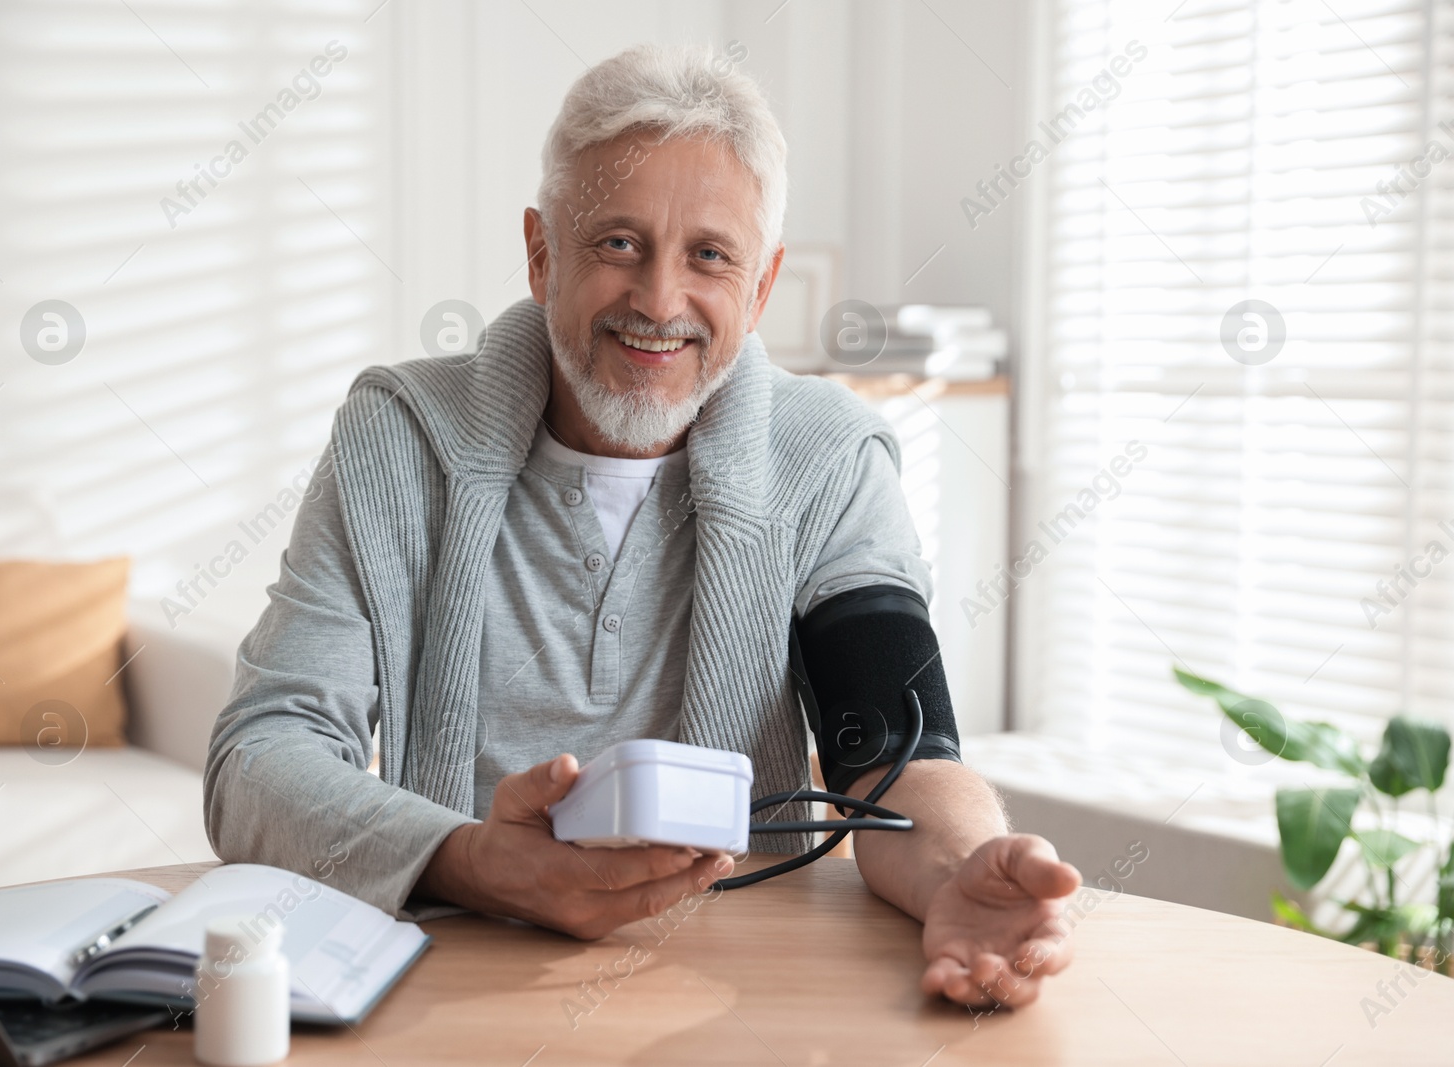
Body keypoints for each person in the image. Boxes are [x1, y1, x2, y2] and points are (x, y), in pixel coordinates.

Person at [204, 41, 1080, 1010]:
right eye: (617, 243)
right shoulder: (397, 435)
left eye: (709, 255)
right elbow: (260, 758)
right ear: (541, 253)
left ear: (760, 283)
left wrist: (960, 866)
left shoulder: (828, 455)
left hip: (740, 983)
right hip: (448, 978)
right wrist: (473, 859)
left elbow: (895, 751)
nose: (659, 302)